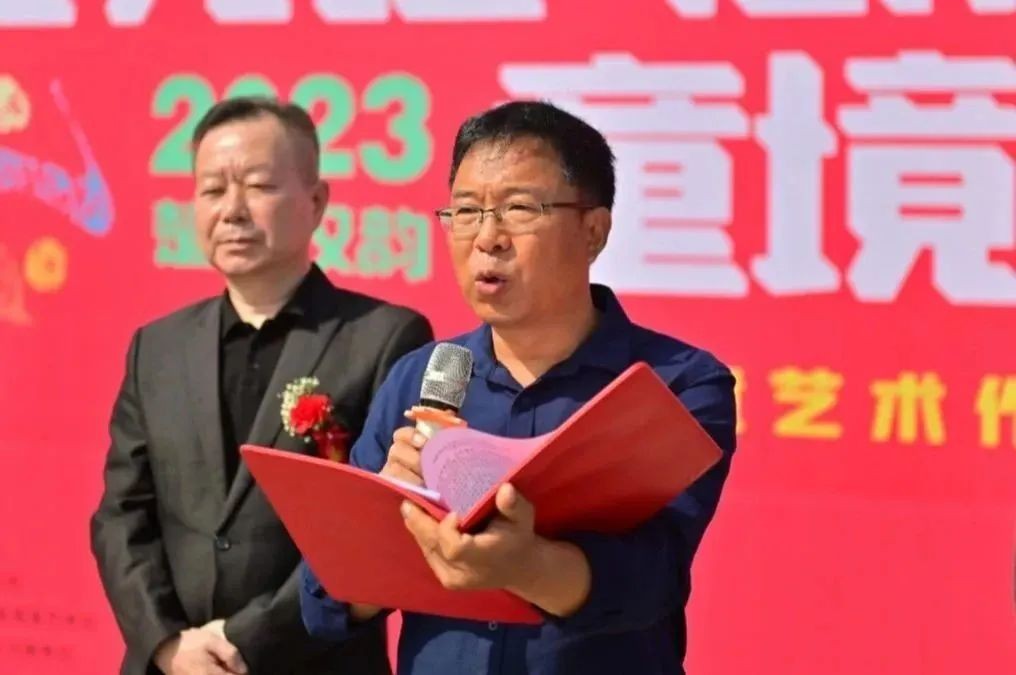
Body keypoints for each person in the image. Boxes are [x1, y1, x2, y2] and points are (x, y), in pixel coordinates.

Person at [299, 100, 737, 674]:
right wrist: (390, 519)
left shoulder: (675, 384)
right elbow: (325, 604)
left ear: (593, 231)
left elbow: (650, 580)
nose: (488, 238)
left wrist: (525, 565)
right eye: (465, 211)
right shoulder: (419, 377)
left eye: (520, 209)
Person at [90, 97, 433, 675]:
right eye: (212, 189)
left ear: (316, 201)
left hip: (313, 662)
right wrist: (168, 644)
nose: (232, 210)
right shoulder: (157, 347)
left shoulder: (385, 338)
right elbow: (121, 516)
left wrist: (243, 642)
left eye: (258, 186)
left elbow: (379, 523)